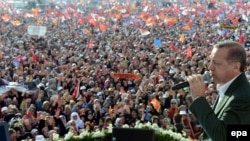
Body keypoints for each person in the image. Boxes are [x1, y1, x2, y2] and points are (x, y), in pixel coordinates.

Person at [187, 40, 250, 141]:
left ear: (235, 66)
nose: (210, 67)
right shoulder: (228, 88)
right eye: (211, 61)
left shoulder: (244, 96)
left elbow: (224, 136)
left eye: (216, 63)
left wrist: (199, 99)